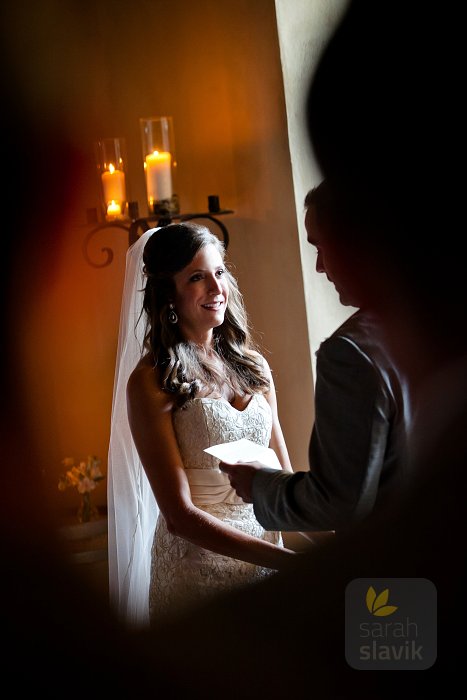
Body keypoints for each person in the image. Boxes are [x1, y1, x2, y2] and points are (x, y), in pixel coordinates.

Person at [107, 221, 296, 627]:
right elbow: (178, 515)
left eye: (219, 272)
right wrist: (286, 562)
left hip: (269, 557)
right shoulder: (151, 380)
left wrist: (337, 546)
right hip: (198, 575)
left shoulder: (255, 367)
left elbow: (286, 479)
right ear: (169, 294)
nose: (216, 288)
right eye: (197, 277)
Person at [220, 180, 410, 534]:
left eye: (321, 247)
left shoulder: (349, 354)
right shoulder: (436, 320)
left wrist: (259, 486)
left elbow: (338, 502)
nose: (320, 267)